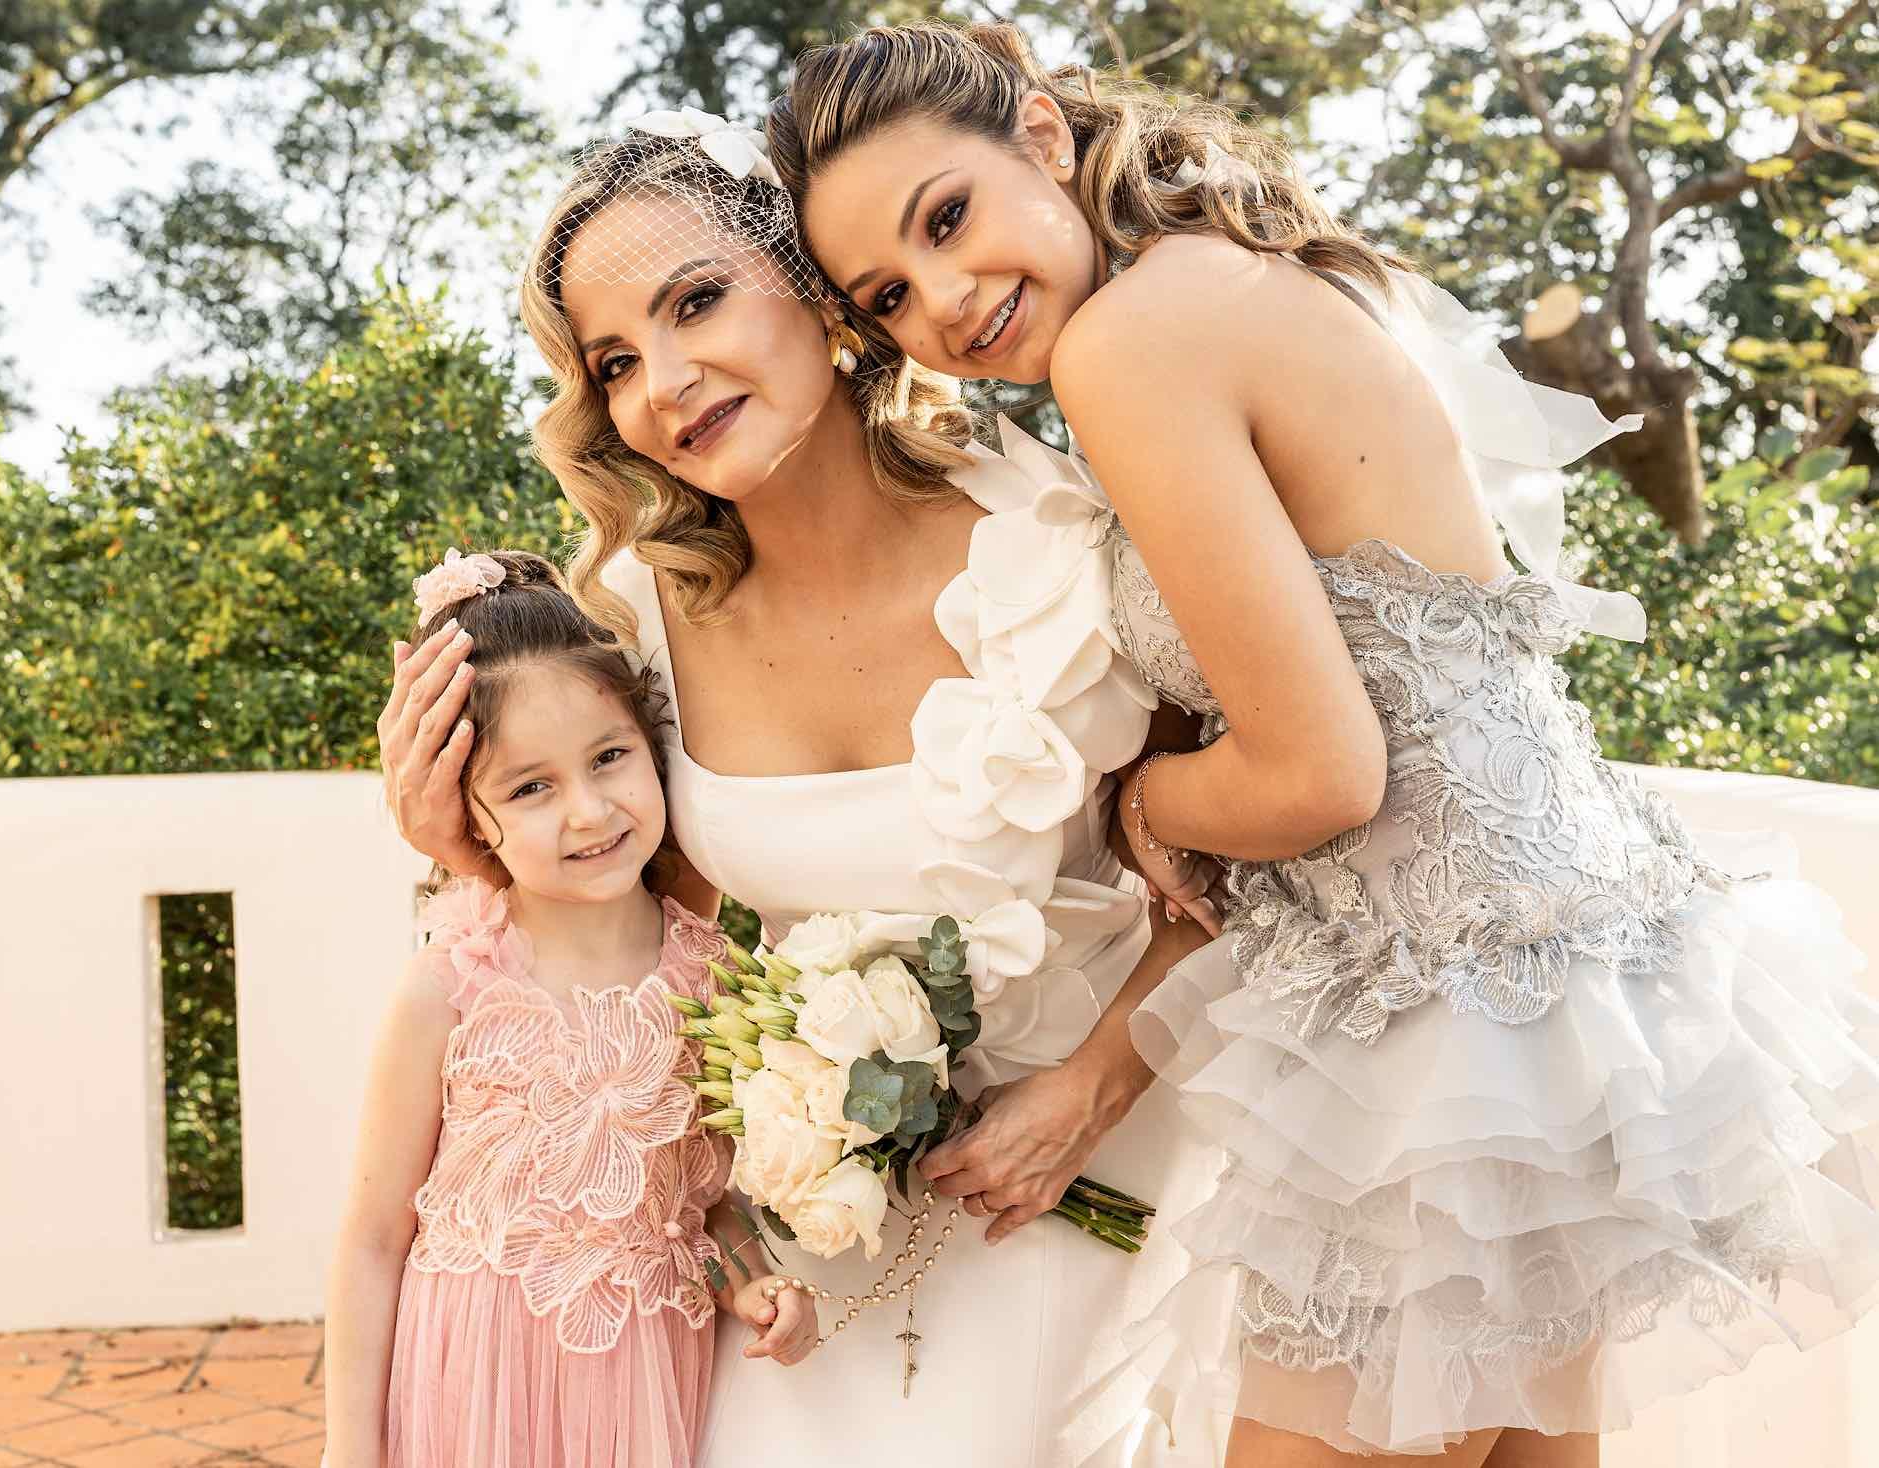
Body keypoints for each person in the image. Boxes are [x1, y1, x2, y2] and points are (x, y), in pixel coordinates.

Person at [768, 19, 1879, 1466]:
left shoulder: (1125, 343)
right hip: (1568, 999)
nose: (944, 299)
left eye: (946, 218)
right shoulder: (1230, 278)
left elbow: (1318, 774)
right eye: (888, 296)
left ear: (1040, 135)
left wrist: (1143, 804)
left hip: (1444, 1024)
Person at [378, 111, 1220, 1464]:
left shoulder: (1067, 535)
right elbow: (652, 934)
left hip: (1113, 1183)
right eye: (614, 362)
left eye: (695, 302)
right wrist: (469, 852)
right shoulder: (644, 619)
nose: (664, 382)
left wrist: (1095, 1086)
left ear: (818, 294)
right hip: (824, 1257)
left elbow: (1248, 861)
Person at [324, 548, 816, 1468]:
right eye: (530, 787)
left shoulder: (713, 981)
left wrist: (750, 1283)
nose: (588, 812)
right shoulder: (450, 987)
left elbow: (696, 1205)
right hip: (470, 1389)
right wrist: (348, 1450)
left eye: (608, 758)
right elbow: (374, 1237)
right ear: (465, 811)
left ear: (653, 750)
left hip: (638, 1385)